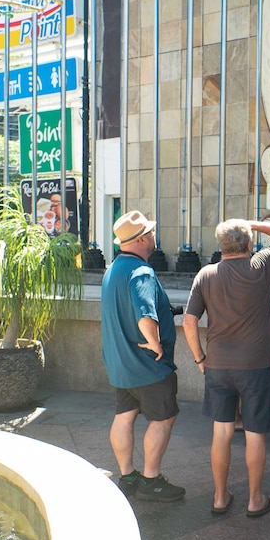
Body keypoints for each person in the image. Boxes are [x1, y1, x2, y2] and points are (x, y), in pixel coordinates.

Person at [183, 218, 270, 517]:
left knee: (221, 432)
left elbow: (189, 321)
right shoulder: (261, 266)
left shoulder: (206, 274)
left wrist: (199, 358)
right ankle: (255, 499)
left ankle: (220, 497)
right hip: (255, 366)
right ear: (248, 244)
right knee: (255, 433)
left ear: (220, 245)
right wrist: (253, 223)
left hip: (217, 366)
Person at [101, 211, 185, 502]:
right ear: (141, 240)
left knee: (124, 416)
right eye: (149, 233)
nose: (153, 238)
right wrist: (157, 344)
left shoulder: (113, 269)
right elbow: (144, 315)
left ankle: (128, 476)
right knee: (164, 418)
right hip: (147, 366)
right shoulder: (142, 272)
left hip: (121, 363)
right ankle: (151, 481)